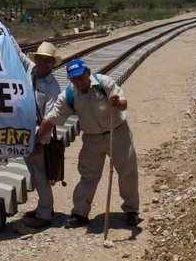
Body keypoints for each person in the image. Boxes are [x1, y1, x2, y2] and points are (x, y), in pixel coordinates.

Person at [35, 58, 140, 228]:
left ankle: (131, 211)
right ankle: (80, 213)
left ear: (88, 72)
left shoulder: (104, 82)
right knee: (88, 175)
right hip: (92, 138)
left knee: (127, 171)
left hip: (117, 132)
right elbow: (51, 119)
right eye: (74, 79)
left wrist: (117, 103)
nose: (79, 81)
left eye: (81, 77)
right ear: (70, 80)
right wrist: (35, 141)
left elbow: (123, 104)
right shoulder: (68, 95)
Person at [14, 40, 63, 228]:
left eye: (47, 60)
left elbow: (49, 119)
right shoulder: (31, 69)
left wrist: (36, 142)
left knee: (41, 174)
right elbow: (17, 52)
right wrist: (1, 28)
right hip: (26, 132)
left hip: (39, 135)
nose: (43, 63)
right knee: (34, 174)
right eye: (40, 59)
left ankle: (45, 214)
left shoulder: (53, 86)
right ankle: (44, 207)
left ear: (52, 63)